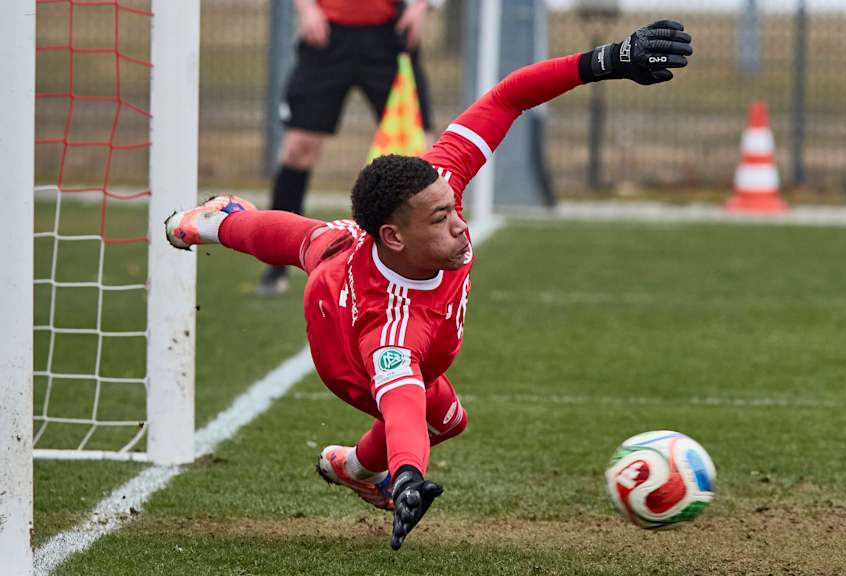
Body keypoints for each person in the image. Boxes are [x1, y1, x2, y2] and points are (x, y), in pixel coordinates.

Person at [165, 20, 692, 550]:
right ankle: (214, 224)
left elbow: (508, 98)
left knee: (318, 239)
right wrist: (410, 475)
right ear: (395, 236)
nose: (461, 224)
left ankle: (212, 223)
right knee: (326, 268)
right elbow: (400, 410)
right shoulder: (391, 332)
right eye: (442, 219)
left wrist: (605, 60)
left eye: (452, 206)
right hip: (344, 345)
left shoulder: (435, 187)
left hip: (355, 253)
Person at [261, 0, 437, 296]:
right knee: (298, 148)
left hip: (389, 36)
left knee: (419, 150)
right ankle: (278, 263)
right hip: (327, 36)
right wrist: (306, 8)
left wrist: (421, 6)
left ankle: (423, 262)